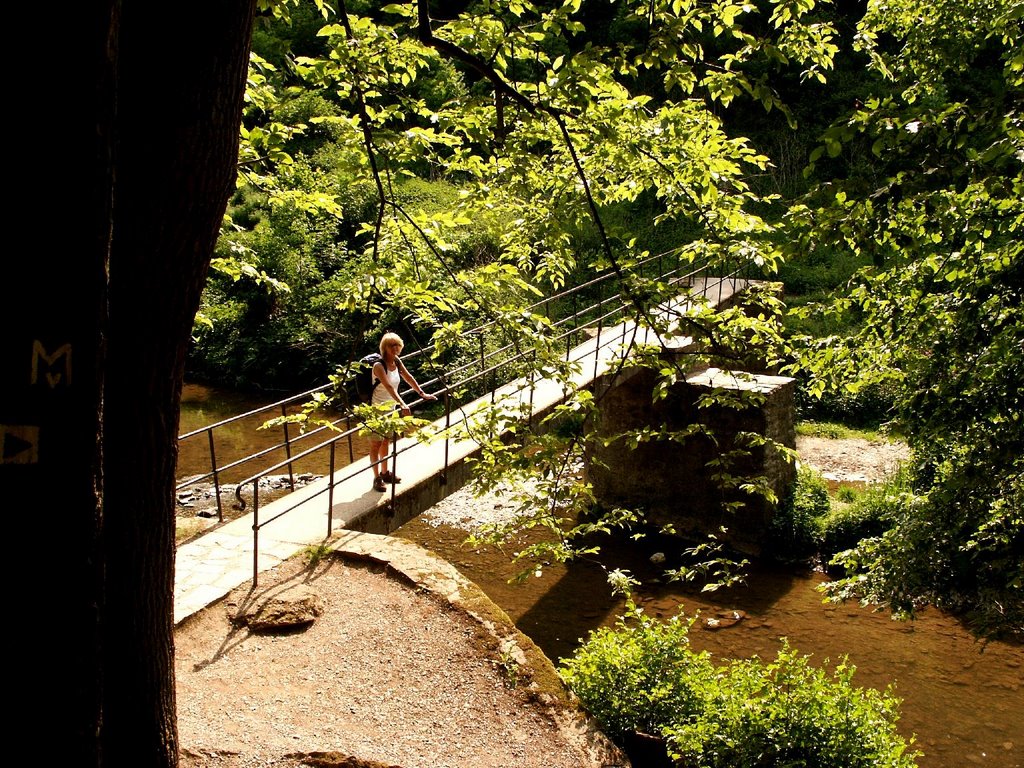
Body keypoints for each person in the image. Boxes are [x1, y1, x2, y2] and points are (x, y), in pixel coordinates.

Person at [368, 332, 436, 492]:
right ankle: (376, 478)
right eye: (392, 345)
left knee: (386, 441)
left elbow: (408, 376)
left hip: (390, 409)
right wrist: (403, 404)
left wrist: (421, 393)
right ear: (385, 347)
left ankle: (385, 473)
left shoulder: (396, 362)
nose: (396, 348)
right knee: (375, 444)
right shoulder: (379, 366)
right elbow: (388, 386)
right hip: (377, 410)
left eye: (398, 345)